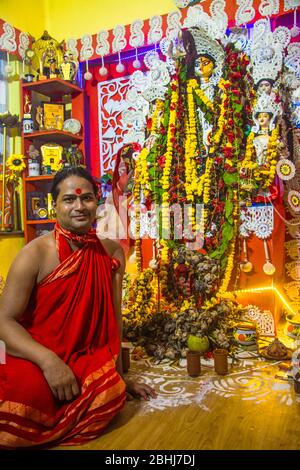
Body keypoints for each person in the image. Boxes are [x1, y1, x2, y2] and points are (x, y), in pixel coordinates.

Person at [0, 166, 156, 448]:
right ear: (54, 205)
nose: (79, 206)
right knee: (25, 397)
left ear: (97, 203)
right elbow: (4, 322)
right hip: (35, 351)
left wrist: (121, 375)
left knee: (110, 391)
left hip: (83, 354)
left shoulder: (109, 252)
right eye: (69, 199)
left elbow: (113, 318)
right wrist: (49, 362)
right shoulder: (34, 254)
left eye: (86, 199)